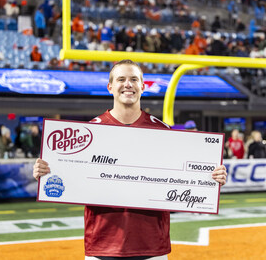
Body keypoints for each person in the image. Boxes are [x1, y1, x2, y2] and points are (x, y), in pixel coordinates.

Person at [33, 59, 228, 259]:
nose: (128, 84)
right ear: (110, 87)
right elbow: (70, 178)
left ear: (143, 87)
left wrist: (211, 178)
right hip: (102, 244)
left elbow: (185, 179)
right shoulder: (90, 130)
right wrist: (48, 171)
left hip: (152, 245)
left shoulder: (164, 132)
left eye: (134, 79)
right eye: (121, 79)